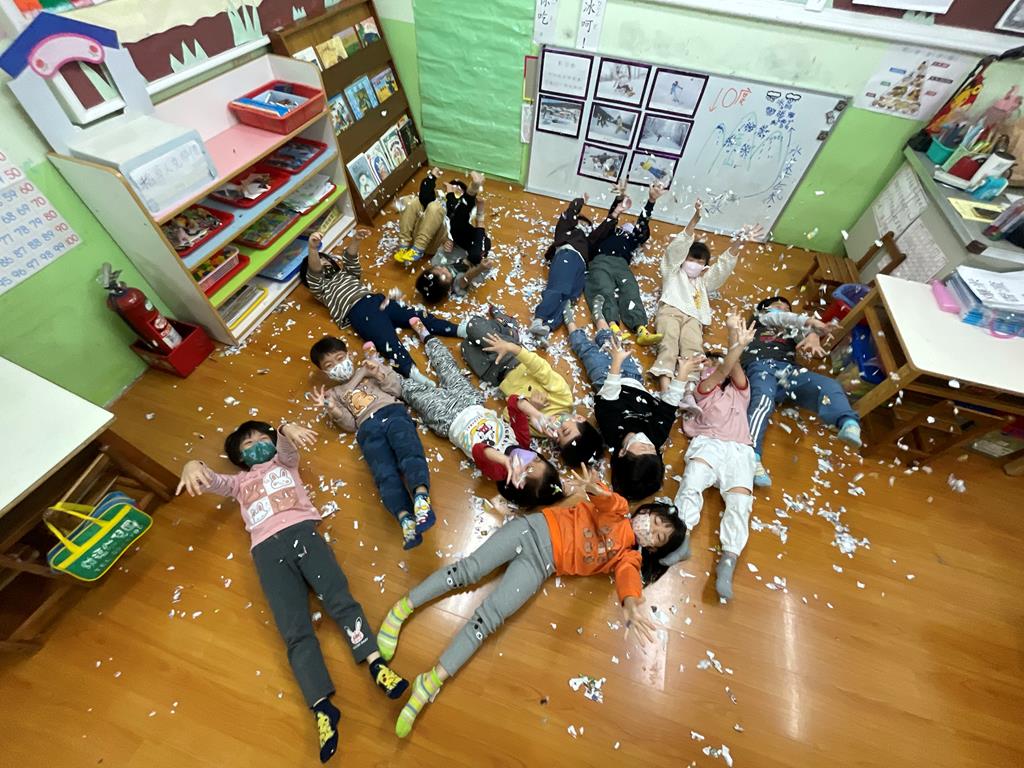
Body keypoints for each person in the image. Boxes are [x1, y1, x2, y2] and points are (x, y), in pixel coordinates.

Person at [376, 468, 686, 738]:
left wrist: (630, 603)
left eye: (658, 537)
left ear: (651, 549)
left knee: (489, 619)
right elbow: (606, 499)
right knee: (467, 571)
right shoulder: (620, 511)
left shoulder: (629, 556)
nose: (651, 530)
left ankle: (430, 683)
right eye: (656, 522)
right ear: (647, 511)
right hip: (531, 529)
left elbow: (628, 577)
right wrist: (593, 488)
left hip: (541, 566)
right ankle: (401, 609)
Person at [176, 420, 409, 763]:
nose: (257, 444)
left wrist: (284, 429)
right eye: (247, 444)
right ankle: (322, 707)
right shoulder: (239, 483)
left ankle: (376, 664)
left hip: (303, 533)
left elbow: (286, 446)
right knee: (294, 630)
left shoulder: (285, 463)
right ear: (239, 457)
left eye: (262, 438)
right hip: (266, 552)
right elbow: (212, 480)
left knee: (340, 600)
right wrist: (192, 464)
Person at [394, 319, 565, 509]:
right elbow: (513, 403)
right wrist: (534, 413)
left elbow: (479, 449)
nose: (529, 458)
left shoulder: (498, 471)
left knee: (411, 391)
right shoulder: (521, 441)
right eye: (537, 459)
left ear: (517, 482)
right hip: (471, 401)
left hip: (448, 419)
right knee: (447, 366)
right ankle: (427, 336)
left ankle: (385, 373)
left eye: (529, 467)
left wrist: (505, 460)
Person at [659, 314, 759, 602]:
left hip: (739, 449)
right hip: (710, 444)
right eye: (707, 366)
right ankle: (682, 538)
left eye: (714, 363)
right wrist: (732, 338)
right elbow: (723, 369)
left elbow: (732, 368)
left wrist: (735, 338)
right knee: (692, 482)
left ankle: (728, 560)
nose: (712, 368)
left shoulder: (741, 393)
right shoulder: (703, 390)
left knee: (739, 504)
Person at [308, 336, 434, 550]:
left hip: (392, 413)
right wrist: (333, 410)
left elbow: (396, 390)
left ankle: (422, 498)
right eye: (329, 365)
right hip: (367, 428)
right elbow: (350, 425)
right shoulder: (333, 394)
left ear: (349, 355)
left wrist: (379, 373)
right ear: (324, 372)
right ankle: (405, 518)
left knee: (409, 451)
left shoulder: (367, 369)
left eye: (340, 358)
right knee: (383, 474)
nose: (337, 366)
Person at [299, 229, 465, 384]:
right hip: (357, 310)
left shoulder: (345, 274)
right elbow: (315, 272)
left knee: (416, 315)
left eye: (326, 259)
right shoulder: (320, 288)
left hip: (377, 300)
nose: (323, 263)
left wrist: (356, 240)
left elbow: (350, 260)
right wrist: (313, 249)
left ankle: (456, 329)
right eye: (319, 261)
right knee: (387, 340)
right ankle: (410, 370)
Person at [564, 303, 688, 499]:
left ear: (622, 453)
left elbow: (608, 399)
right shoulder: (657, 437)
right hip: (633, 379)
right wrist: (682, 374)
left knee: (587, 350)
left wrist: (616, 362)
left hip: (605, 379)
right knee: (611, 340)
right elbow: (668, 406)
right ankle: (599, 316)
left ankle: (570, 322)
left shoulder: (613, 433)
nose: (647, 443)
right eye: (652, 449)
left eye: (642, 448)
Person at [652, 199, 763, 412]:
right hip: (670, 311)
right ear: (684, 259)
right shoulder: (673, 272)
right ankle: (666, 391)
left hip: (694, 318)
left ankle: (688, 395)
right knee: (669, 344)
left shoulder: (703, 282)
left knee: (694, 351)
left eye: (700, 262)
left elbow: (722, 268)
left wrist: (739, 243)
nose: (695, 264)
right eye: (692, 259)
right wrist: (695, 219)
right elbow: (675, 250)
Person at [742, 296, 862, 487]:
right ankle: (751, 456)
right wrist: (811, 322)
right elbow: (781, 318)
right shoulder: (762, 318)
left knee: (829, 386)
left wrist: (813, 334)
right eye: (777, 306)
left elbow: (801, 329)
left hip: (789, 371)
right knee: (763, 401)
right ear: (764, 309)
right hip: (762, 366)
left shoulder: (791, 327)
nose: (783, 309)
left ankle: (848, 423)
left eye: (787, 307)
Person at [471, 327, 603, 466]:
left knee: (467, 349)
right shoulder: (563, 398)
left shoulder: (539, 430)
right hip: (514, 360)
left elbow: (507, 414)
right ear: (579, 418)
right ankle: (508, 330)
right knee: (474, 327)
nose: (556, 430)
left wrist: (531, 409)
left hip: (495, 377)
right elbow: (540, 367)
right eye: (564, 430)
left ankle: (503, 329)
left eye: (557, 438)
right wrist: (511, 347)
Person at [529, 191, 625, 339]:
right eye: (582, 223)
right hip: (567, 256)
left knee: (568, 301)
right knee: (558, 289)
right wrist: (581, 201)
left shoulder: (587, 243)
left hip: (580, 267)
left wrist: (615, 214)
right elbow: (570, 213)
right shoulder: (565, 232)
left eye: (587, 226)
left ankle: (546, 329)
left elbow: (600, 233)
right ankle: (538, 320)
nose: (584, 227)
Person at [584, 181, 665, 346]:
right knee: (603, 289)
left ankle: (641, 329)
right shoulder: (609, 231)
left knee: (630, 290)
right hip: (601, 260)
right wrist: (620, 197)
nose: (629, 226)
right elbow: (611, 217)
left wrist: (651, 201)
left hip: (621, 264)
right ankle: (612, 327)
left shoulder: (632, 239)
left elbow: (642, 224)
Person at [394, 168, 485, 263]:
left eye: (459, 190)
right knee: (414, 202)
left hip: (433, 241)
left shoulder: (460, 208)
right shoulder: (438, 198)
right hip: (416, 234)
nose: (455, 189)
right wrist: (432, 177)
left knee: (436, 207)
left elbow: (457, 212)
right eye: (453, 187)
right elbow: (424, 197)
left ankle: (419, 248)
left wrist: (451, 193)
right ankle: (403, 243)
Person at [414, 197, 495, 304]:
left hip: (465, 245)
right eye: (443, 275)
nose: (443, 269)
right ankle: (480, 217)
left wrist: (446, 241)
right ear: (448, 289)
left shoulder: (437, 261)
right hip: (480, 253)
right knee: (474, 256)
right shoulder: (457, 286)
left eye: (437, 269)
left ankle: (469, 197)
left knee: (454, 226)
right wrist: (481, 268)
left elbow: (444, 244)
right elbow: (466, 278)